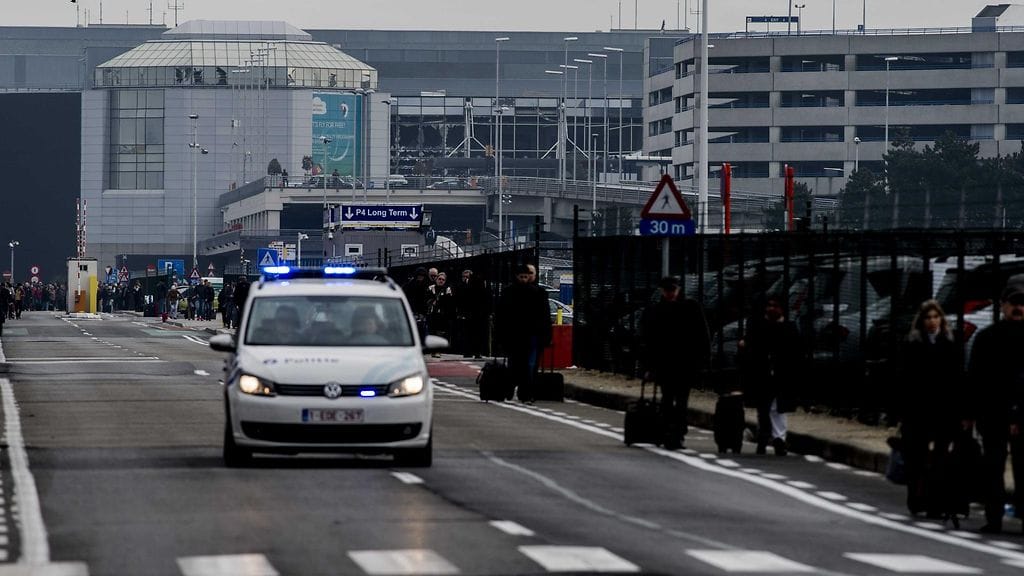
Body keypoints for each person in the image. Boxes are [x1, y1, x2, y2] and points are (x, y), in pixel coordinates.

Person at [896, 299, 964, 517]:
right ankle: (917, 499)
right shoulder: (912, 343)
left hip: (944, 410)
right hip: (918, 410)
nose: (932, 321)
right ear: (921, 320)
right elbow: (904, 378)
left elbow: (958, 377)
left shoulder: (951, 342)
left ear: (941, 319)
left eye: (936, 317)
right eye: (928, 318)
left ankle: (936, 503)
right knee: (917, 457)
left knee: (940, 458)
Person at [969, 275, 1024, 534]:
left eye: (1022, 303)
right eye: (1014, 303)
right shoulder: (987, 338)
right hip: (993, 414)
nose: (1018, 308)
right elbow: (975, 378)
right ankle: (994, 517)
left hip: (1019, 414)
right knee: (993, 467)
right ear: (1002, 306)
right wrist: (970, 413)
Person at [640, 276, 710, 450]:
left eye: (672, 290)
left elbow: (702, 335)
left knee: (679, 400)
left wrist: (702, 360)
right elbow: (648, 341)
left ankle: (676, 433)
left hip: (683, 363)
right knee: (669, 398)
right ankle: (670, 432)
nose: (670, 293)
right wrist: (649, 366)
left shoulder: (688, 307)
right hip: (667, 364)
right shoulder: (659, 310)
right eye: (667, 290)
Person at [739, 295, 803, 456]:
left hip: (782, 373)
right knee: (764, 407)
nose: (771, 309)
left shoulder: (789, 327)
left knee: (778, 408)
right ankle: (765, 437)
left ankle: (778, 439)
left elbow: (796, 352)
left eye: (775, 306)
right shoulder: (758, 325)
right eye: (769, 305)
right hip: (762, 372)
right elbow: (750, 347)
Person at [497, 263, 552, 404]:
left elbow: (502, 315)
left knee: (524, 364)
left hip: (522, 335)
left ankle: (521, 391)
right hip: (525, 335)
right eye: (522, 276)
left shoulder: (511, 292)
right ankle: (524, 392)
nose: (524, 279)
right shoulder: (536, 293)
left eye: (526, 276)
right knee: (525, 364)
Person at [402, 267, 432, 340]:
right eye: (419, 275)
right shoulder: (410, 284)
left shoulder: (428, 285)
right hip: (412, 311)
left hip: (423, 312)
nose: (420, 277)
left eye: (422, 275)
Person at [427, 272, 455, 344]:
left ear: (445, 281)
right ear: (436, 279)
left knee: (440, 336)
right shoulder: (431, 288)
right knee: (431, 334)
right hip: (431, 315)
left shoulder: (447, 289)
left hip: (442, 316)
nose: (441, 281)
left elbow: (449, 303)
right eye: (439, 279)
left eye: (443, 280)